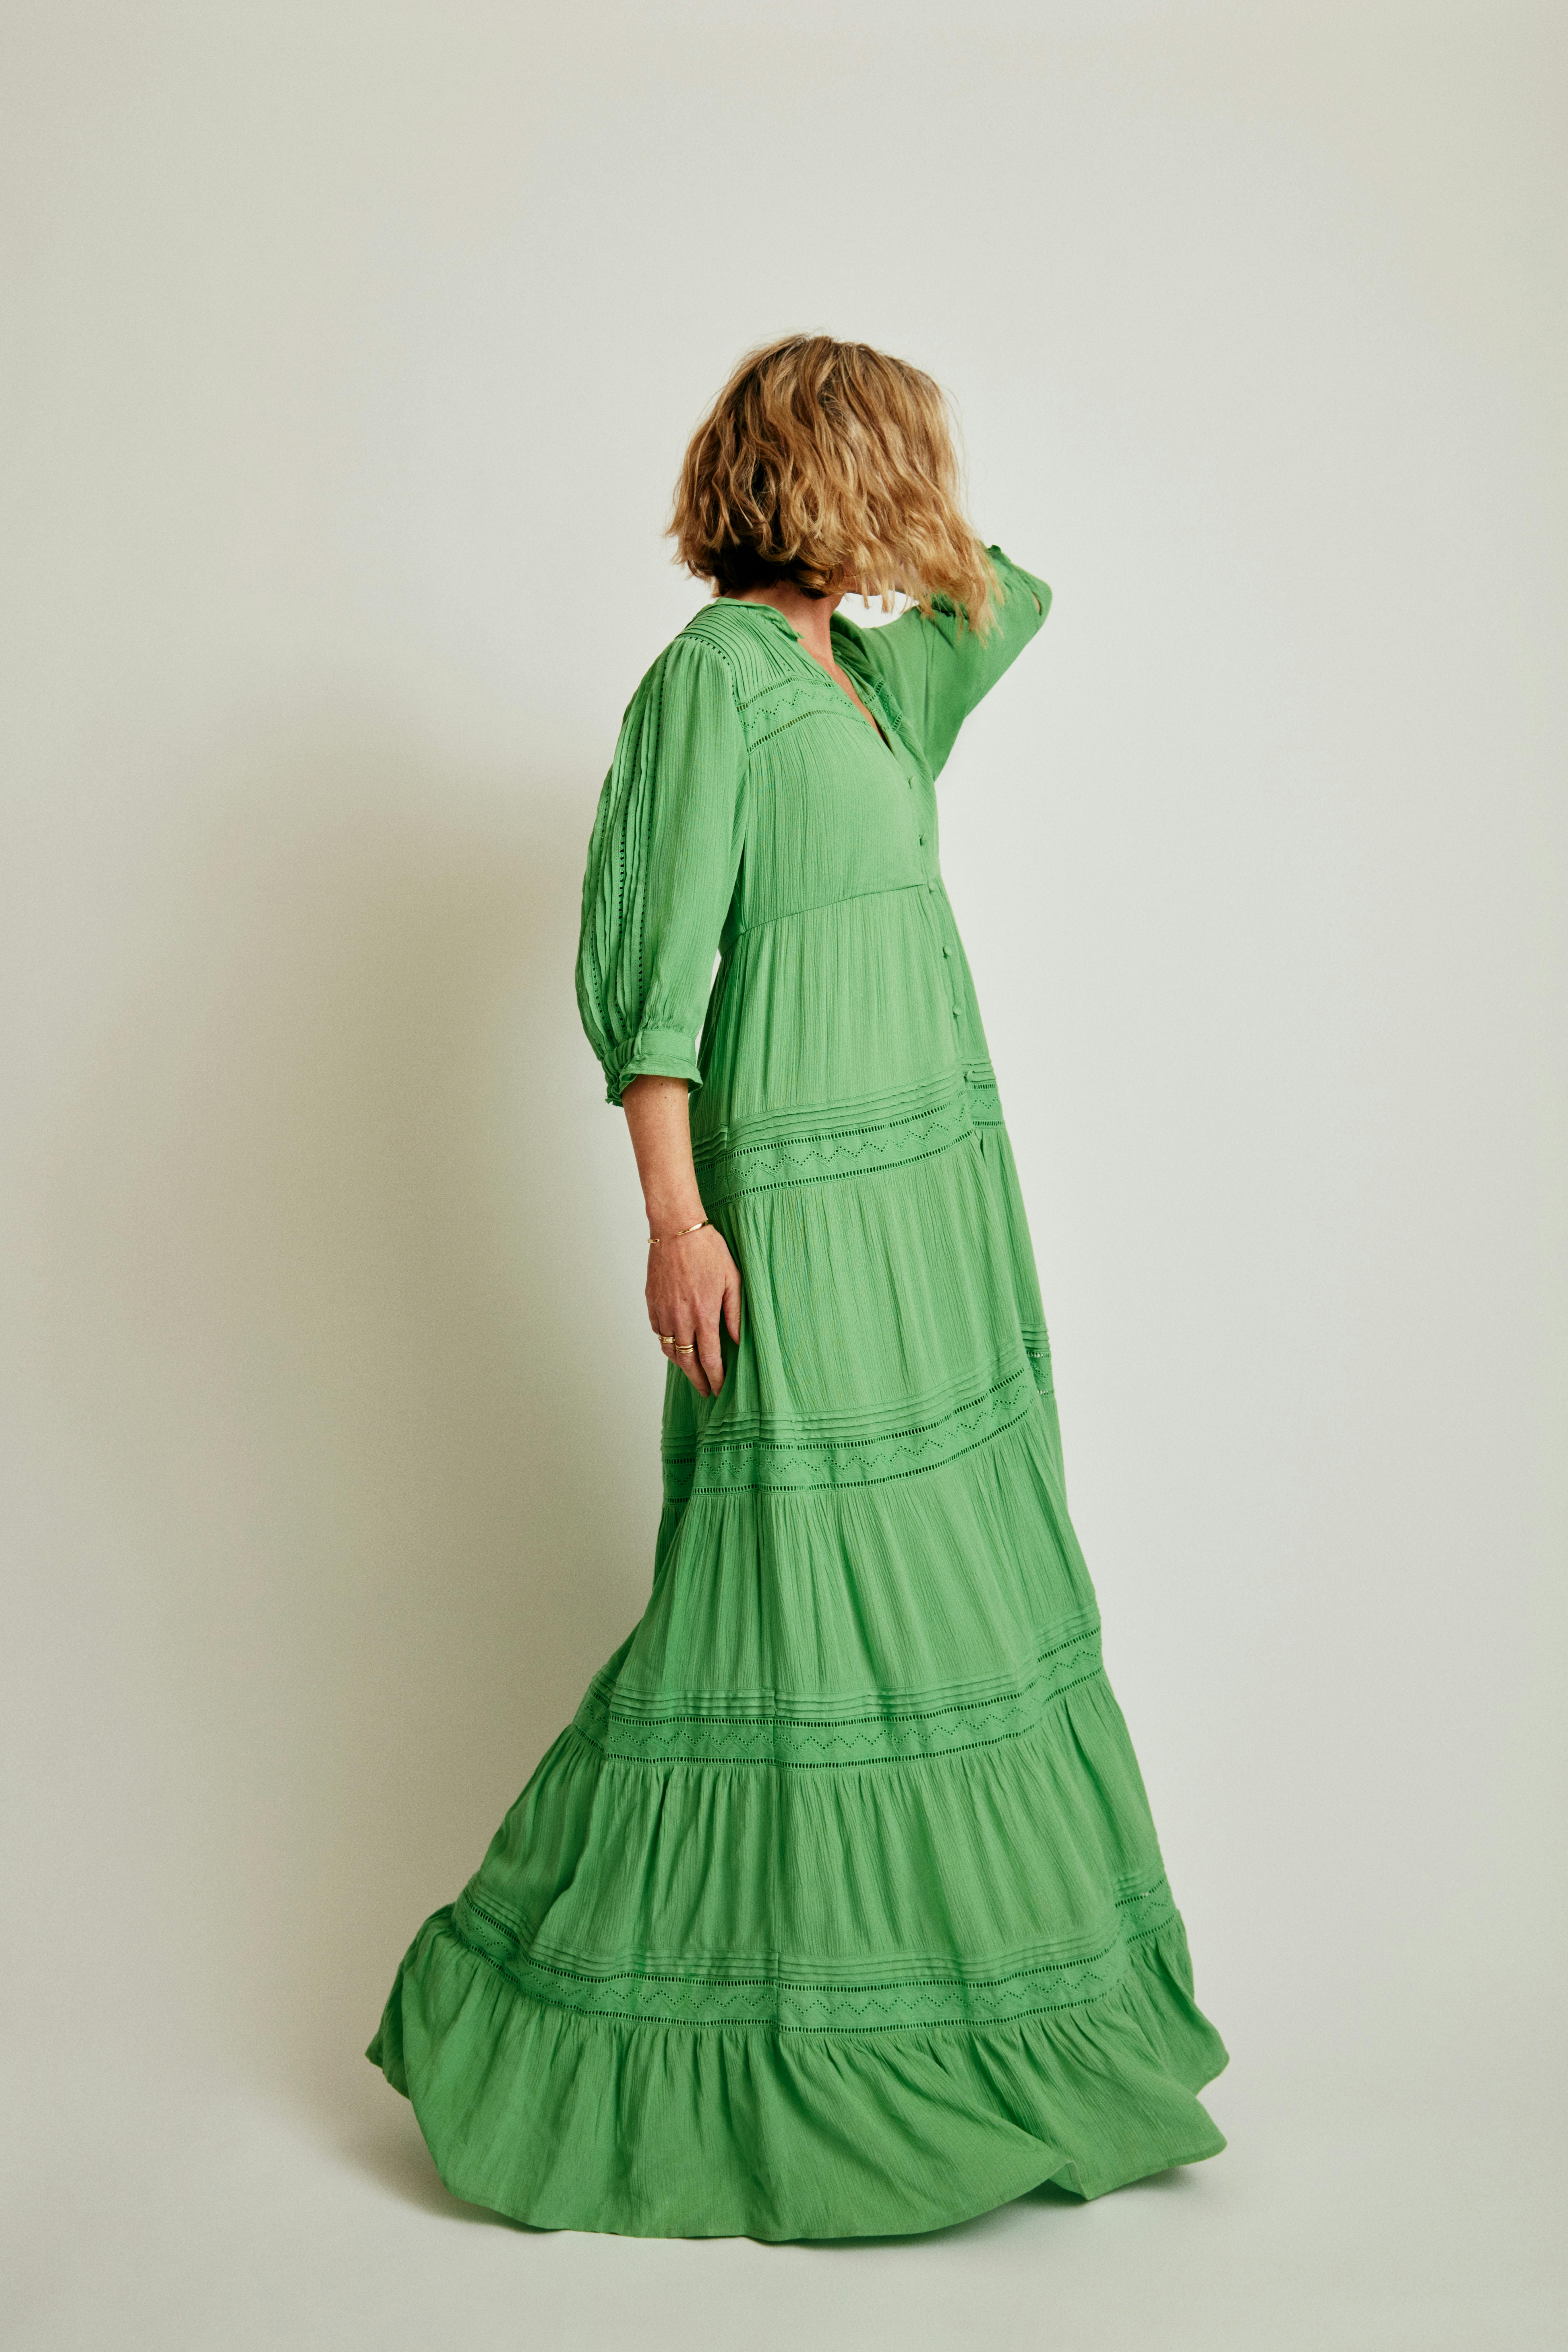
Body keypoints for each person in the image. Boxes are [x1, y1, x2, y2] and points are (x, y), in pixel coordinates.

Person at [367, 334, 1228, 2239]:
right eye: (894, 465)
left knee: (944, 1596)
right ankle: (576, 2018)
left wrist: (908, 506)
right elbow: (652, 991)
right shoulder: (714, 687)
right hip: (801, 1218)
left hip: (932, 1206)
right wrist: (678, 1224)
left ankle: (957, 2020)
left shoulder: (871, 691)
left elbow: (1021, 598)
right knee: (777, 1608)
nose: (923, 500)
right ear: (811, 478)